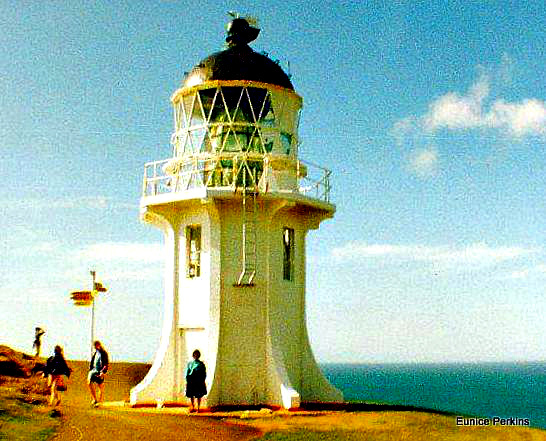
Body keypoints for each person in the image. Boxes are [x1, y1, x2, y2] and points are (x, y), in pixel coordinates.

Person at [88, 340, 109, 407]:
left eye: (96, 346)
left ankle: (99, 402)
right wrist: (90, 369)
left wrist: (102, 372)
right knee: (89, 383)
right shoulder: (96, 353)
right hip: (93, 370)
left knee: (100, 386)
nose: (95, 348)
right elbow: (93, 361)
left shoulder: (104, 353)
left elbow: (105, 364)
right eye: (94, 347)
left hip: (100, 371)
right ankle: (94, 399)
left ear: (99, 345)